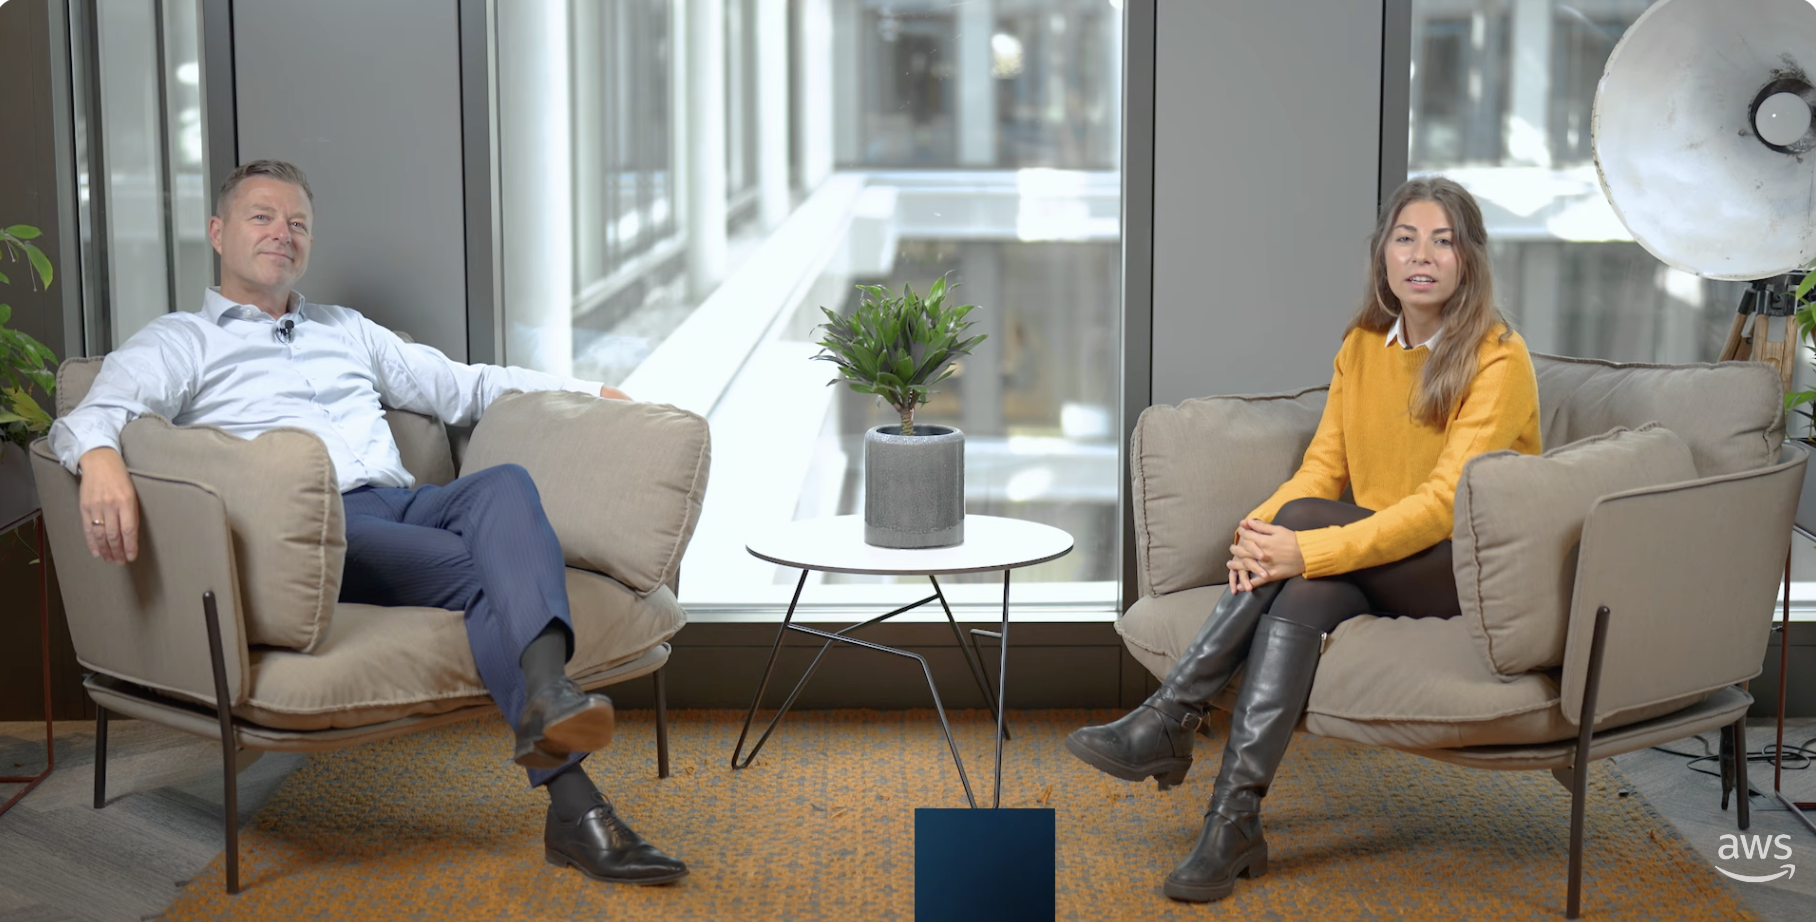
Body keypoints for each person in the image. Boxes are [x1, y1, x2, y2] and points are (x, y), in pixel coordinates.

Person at [48, 160, 686, 886]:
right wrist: (98, 457)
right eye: (262, 217)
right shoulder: (180, 341)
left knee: (503, 484)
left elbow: (463, 385)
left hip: (407, 500)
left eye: (297, 223)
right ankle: (576, 809)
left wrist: (586, 392)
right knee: (493, 582)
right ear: (218, 233)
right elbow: (92, 414)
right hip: (319, 532)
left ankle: (549, 695)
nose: (282, 234)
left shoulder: (344, 329)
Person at [1066, 176, 1541, 902]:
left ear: (1469, 260)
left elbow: (1445, 505)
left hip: (1466, 569)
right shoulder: (1361, 346)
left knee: (1307, 537)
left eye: (1443, 240)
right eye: (1406, 237)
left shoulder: (1498, 357)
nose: (1423, 255)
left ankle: (1171, 717)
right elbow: (1324, 467)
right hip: (1382, 559)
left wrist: (1299, 544)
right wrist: (1257, 535)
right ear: (1382, 254)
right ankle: (1233, 825)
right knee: (1301, 594)